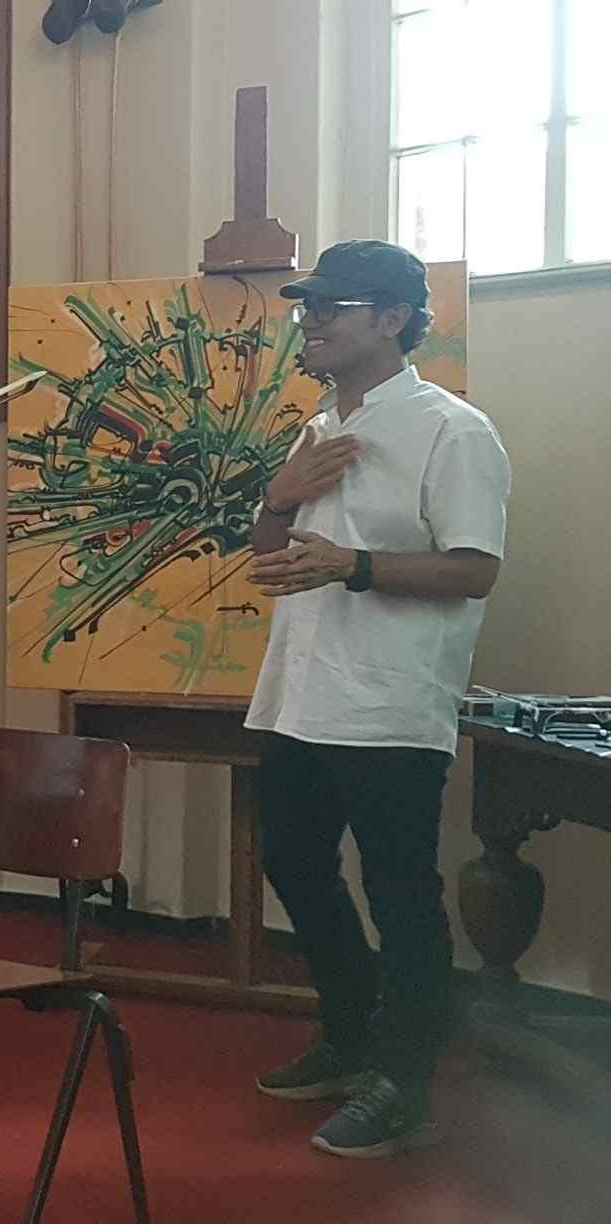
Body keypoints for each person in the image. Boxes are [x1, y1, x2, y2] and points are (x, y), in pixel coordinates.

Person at [246, 239, 510, 1158]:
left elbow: (475, 570)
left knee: (401, 893)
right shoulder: (316, 424)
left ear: (395, 319)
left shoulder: (453, 429)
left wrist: (353, 566)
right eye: (307, 306)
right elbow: (267, 546)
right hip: (298, 694)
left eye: (333, 306)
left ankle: (405, 1080)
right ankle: (351, 1035)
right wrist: (278, 497)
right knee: (292, 865)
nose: (310, 321)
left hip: (393, 704)